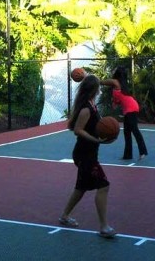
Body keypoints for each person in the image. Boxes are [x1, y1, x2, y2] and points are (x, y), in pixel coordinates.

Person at [59, 74, 116, 238]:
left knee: (81, 188)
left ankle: (64, 216)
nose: (100, 89)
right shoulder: (86, 109)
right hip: (84, 154)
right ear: (95, 89)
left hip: (89, 152)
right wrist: (97, 139)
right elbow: (78, 130)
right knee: (104, 185)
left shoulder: (92, 105)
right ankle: (104, 227)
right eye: (98, 87)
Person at [101, 67, 148, 161]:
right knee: (127, 132)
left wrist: (87, 78)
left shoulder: (115, 82)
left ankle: (143, 152)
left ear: (117, 73)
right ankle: (128, 155)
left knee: (135, 130)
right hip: (130, 106)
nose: (113, 71)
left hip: (131, 108)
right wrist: (115, 102)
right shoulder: (122, 84)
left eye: (114, 70)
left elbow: (101, 82)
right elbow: (120, 100)